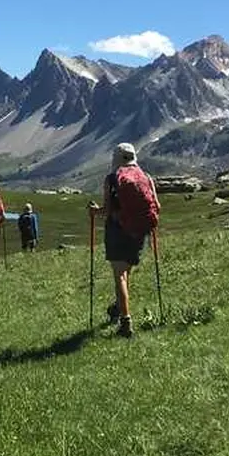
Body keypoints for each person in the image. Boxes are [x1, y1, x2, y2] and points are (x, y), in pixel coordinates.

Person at [89, 143, 159, 338]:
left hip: (118, 231)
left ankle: (125, 321)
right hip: (139, 232)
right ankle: (118, 306)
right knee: (126, 271)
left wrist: (94, 211)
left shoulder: (112, 179)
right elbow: (157, 205)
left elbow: (107, 210)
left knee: (119, 275)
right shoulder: (146, 177)